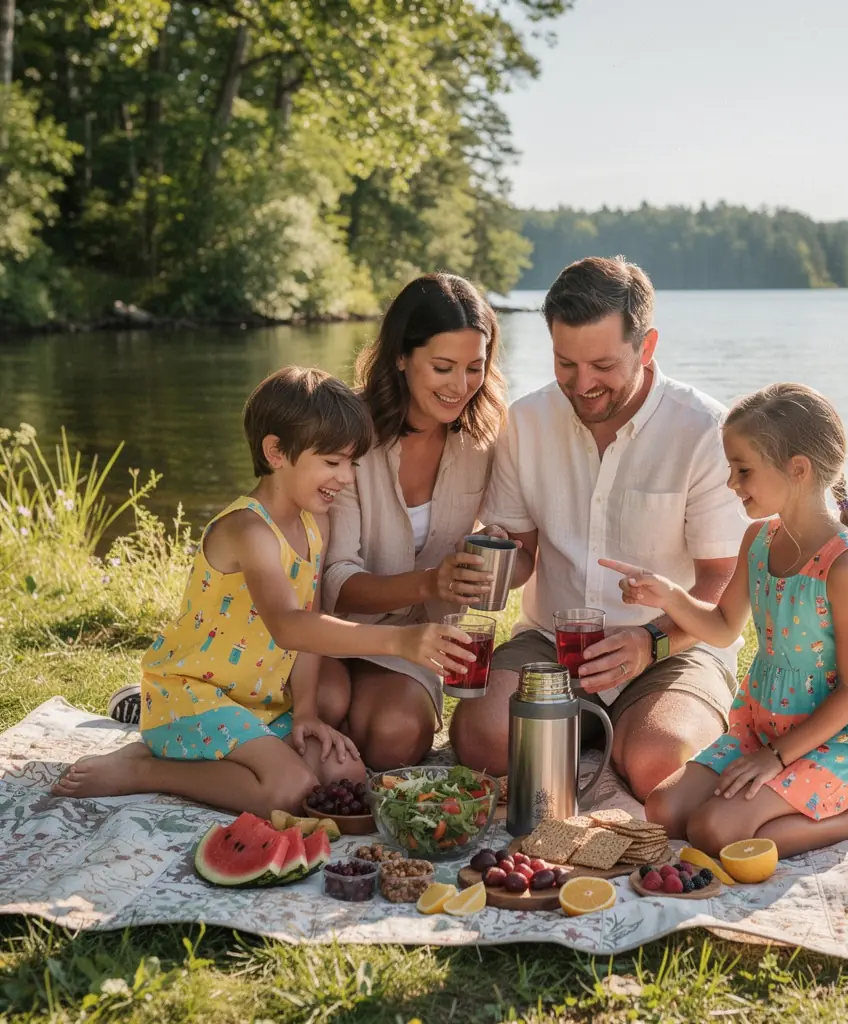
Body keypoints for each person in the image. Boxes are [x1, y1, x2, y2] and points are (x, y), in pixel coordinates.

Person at [54, 367, 474, 815]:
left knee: (344, 774)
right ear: (275, 452)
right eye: (333, 462)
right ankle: (144, 768)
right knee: (289, 792)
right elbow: (290, 627)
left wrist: (308, 713)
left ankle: (215, 757)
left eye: (352, 462)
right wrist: (398, 640)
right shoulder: (248, 530)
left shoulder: (317, 524)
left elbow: (309, 629)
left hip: (260, 704)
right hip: (193, 696)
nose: (348, 477)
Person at [450, 256, 747, 800]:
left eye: (603, 366)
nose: (582, 385)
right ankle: (588, 731)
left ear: (647, 346)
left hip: (674, 649)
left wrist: (649, 641)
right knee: (481, 739)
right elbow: (521, 557)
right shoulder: (527, 422)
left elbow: (723, 580)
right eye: (566, 364)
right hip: (549, 645)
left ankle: (614, 734)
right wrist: (483, 566)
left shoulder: (705, 430)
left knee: (659, 761)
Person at [603, 382, 848, 858]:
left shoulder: (847, 567)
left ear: (798, 470)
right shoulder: (758, 539)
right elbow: (723, 626)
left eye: (743, 470)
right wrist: (668, 595)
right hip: (765, 728)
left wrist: (773, 760)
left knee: (717, 832)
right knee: (665, 810)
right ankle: (790, 799)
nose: (732, 484)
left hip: (835, 739)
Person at [319, 274, 506, 769]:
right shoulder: (348, 433)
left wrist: (495, 552)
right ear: (401, 357)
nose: (461, 387)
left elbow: (514, 533)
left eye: (474, 369)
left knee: (394, 738)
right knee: (325, 713)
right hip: (327, 630)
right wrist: (431, 582)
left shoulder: (483, 440)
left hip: (416, 641)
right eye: (443, 367)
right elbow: (335, 582)